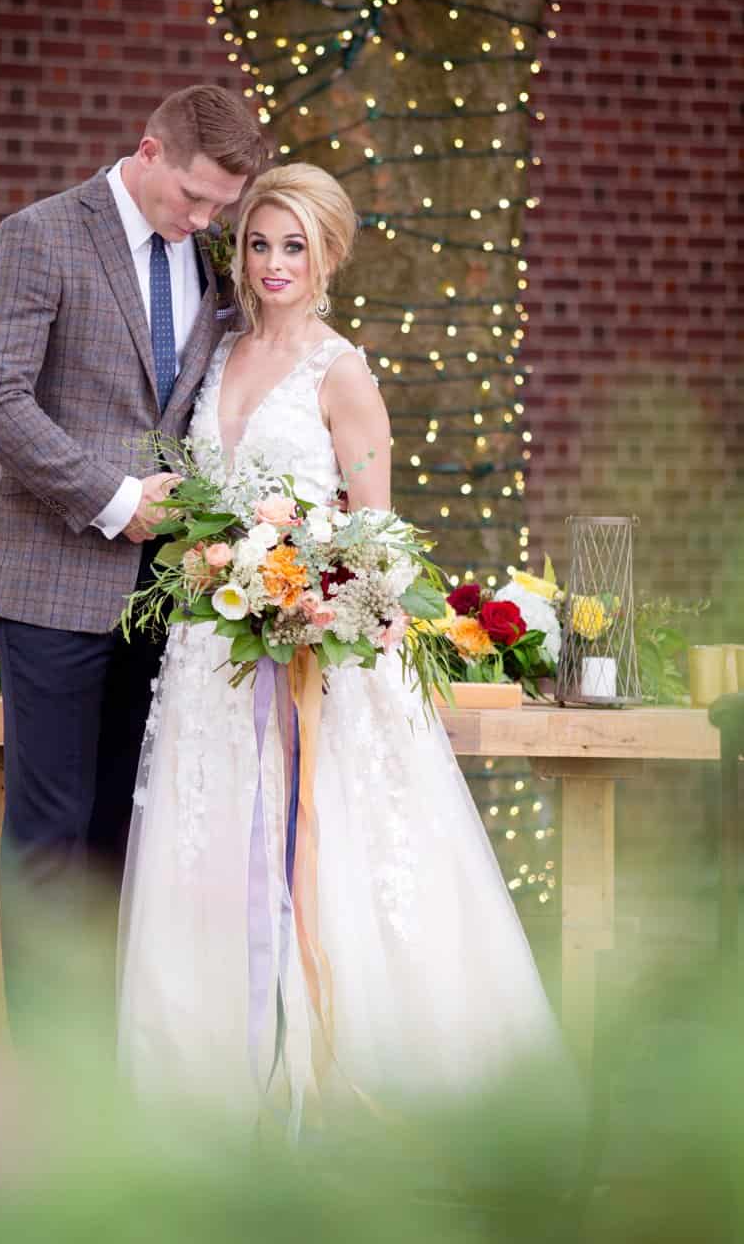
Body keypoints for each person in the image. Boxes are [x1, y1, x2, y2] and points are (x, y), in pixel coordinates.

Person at [117, 163, 574, 1128]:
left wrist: (319, 604)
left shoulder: (343, 370)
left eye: (294, 245)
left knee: (336, 863)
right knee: (203, 849)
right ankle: (201, 1094)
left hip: (317, 662)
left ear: (327, 254)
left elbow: (378, 536)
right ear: (236, 254)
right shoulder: (214, 355)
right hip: (211, 656)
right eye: (256, 243)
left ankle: (351, 1088)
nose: (273, 263)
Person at [0, 85, 268, 1031]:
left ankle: (112, 1080)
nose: (209, 221)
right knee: (50, 838)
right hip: (52, 581)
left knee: (126, 834)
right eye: (196, 199)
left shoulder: (209, 264)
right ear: (148, 152)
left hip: (168, 597)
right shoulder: (40, 235)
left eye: (222, 207)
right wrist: (115, 499)